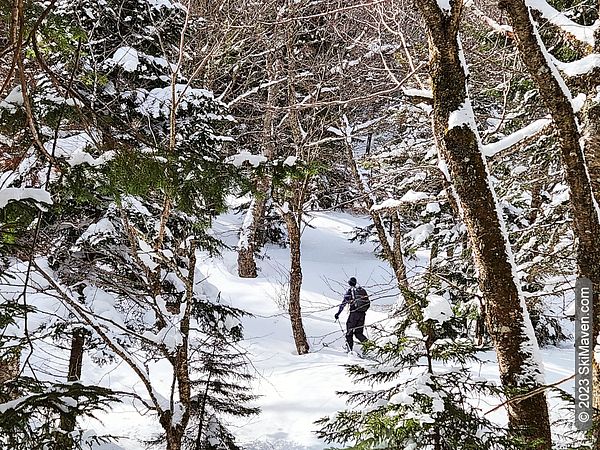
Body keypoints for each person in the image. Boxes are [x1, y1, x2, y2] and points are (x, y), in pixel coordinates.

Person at [334, 277, 367, 352]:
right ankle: (369, 347)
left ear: (349, 283)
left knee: (349, 332)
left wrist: (338, 313)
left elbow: (343, 304)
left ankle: (349, 350)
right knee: (358, 333)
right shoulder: (361, 290)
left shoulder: (350, 292)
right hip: (362, 314)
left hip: (354, 314)